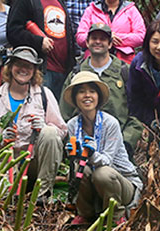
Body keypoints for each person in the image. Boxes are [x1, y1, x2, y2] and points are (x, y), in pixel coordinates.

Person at [0, 46, 67, 199]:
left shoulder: (44, 94)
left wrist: (43, 127)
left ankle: (43, 193)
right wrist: (0, 139)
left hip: (34, 161)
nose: (23, 69)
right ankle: (11, 191)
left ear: (34, 71)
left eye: (28, 66)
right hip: (6, 161)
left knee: (50, 132)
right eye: (19, 64)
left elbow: (61, 130)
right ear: (10, 67)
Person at [63, 72, 142, 226]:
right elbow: (78, 163)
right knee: (78, 168)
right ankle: (85, 213)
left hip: (121, 182)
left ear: (98, 96)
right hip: (95, 186)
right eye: (81, 92)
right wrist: (73, 154)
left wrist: (91, 154)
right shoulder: (72, 125)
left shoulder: (110, 123)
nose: (87, 95)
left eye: (92, 91)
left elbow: (107, 161)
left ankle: (115, 215)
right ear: (75, 97)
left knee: (102, 173)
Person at [59, 23, 144, 151]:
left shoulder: (125, 72)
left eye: (103, 39)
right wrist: (73, 144)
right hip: (82, 146)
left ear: (110, 44)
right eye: (94, 38)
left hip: (118, 144)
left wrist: (126, 141)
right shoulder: (77, 74)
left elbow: (137, 112)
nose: (98, 42)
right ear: (87, 43)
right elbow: (65, 114)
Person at [7, 0, 76, 97]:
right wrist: (38, 42)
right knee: (40, 106)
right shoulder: (25, 0)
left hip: (64, 69)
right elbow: (13, 32)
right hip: (40, 68)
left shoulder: (59, 0)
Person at [75, 0, 146, 64]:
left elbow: (141, 36)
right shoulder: (91, 10)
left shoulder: (131, 10)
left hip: (124, 61)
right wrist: (104, 36)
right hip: (94, 60)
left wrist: (116, 38)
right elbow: (80, 37)